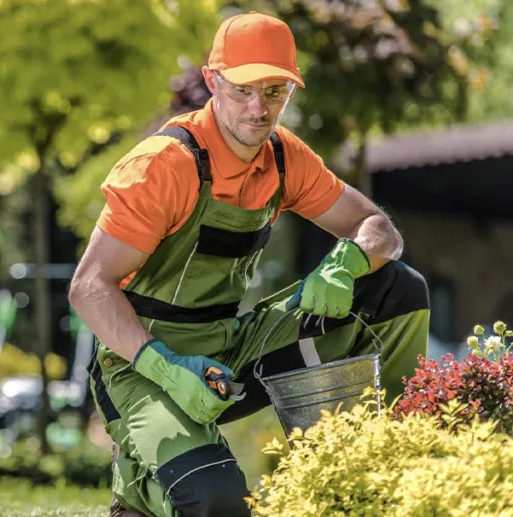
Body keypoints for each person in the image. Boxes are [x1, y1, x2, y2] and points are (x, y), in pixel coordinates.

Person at [67, 11, 430, 517]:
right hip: (140, 365)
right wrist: (167, 370)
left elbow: (379, 229)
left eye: (275, 91)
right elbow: (88, 288)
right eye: (243, 90)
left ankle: (384, 457)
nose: (260, 108)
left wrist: (346, 262)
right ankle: (138, 495)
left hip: (229, 347)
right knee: (219, 503)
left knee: (394, 287)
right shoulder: (163, 166)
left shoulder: (284, 158)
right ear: (213, 81)